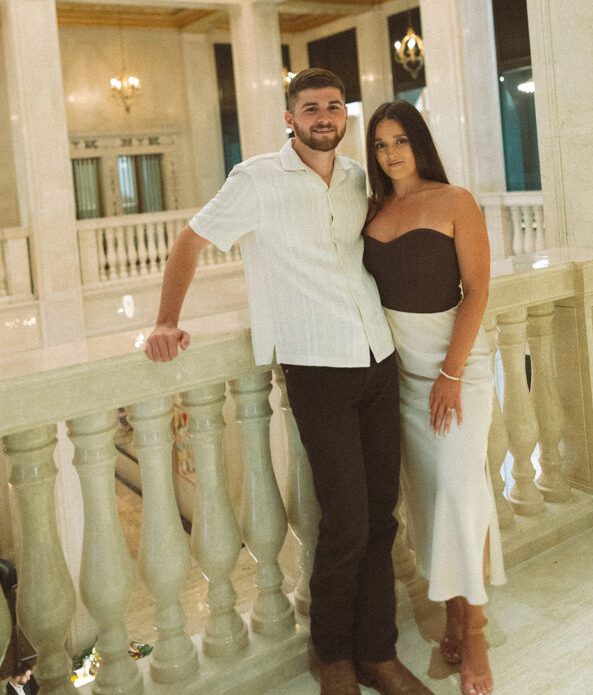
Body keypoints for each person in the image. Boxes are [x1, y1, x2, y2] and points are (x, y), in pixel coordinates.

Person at [145, 69, 433, 695]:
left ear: (344, 115)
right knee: (347, 522)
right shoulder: (255, 179)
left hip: (379, 358)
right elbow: (190, 241)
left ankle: (378, 654)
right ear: (290, 118)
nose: (324, 116)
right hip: (315, 366)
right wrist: (167, 321)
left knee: (382, 517)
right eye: (311, 108)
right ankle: (331, 655)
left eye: (334, 106)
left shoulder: (360, 176)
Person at [362, 100, 506, 695]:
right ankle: (454, 612)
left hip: (457, 368)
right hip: (400, 375)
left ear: (419, 142)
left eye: (400, 140)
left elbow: (476, 289)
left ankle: (475, 635)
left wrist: (450, 372)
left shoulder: (455, 201)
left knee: (455, 489)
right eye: (380, 144)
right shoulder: (372, 210)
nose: (391, 153)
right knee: (432, 501)